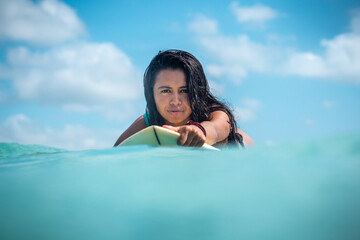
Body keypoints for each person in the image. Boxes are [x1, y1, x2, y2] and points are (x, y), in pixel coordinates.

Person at [114, 49, 254, 148]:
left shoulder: (215, 113)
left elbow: (217, 129)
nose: (175, 101)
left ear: (197, 91)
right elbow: (115, 153)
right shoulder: (147, 122)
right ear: (151, 94)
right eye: (166, 91)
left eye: (184, 90)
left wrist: (199, 131)